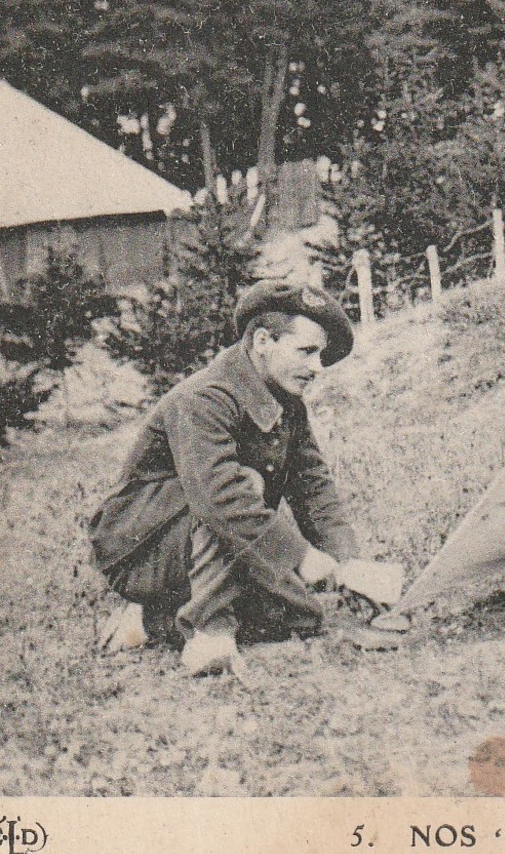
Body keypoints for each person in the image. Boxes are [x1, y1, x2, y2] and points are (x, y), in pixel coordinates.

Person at [90, 280, 397, 675]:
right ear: (263, 340)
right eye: (306, 351)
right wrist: (303, 559)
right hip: (143, 549)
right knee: (244, 482)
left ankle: (152, 619)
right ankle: (209, 632)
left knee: (301, 616)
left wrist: (351, 566)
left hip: (213, 541)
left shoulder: (288, 404)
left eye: (320, 354)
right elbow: (219, 498)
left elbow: (314, 489)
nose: (317, 367)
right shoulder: (203, 398)